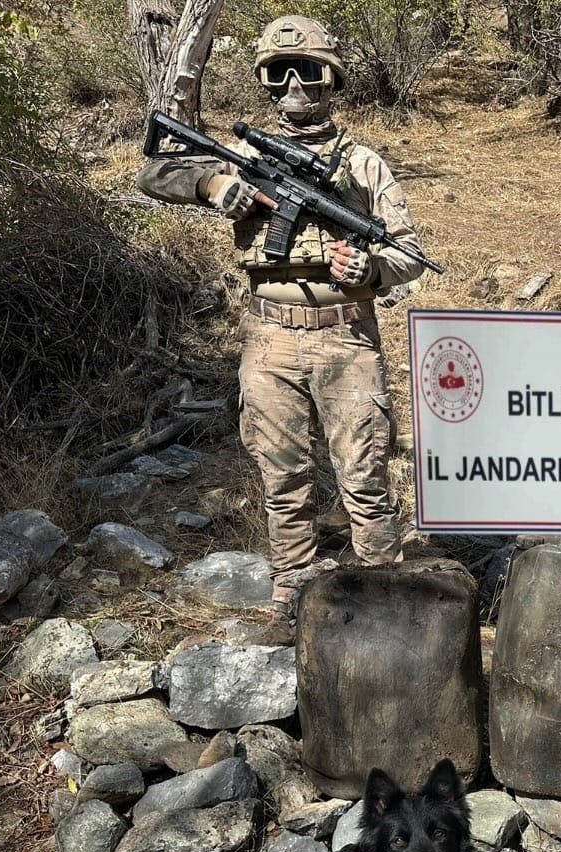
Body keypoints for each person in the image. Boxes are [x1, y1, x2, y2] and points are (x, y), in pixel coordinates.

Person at [137, 15, 427, 610]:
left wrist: (369, 271)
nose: (294, 84)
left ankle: (383, 600)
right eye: (278, 72)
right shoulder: (241, 156)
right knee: (284, 481)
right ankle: (293, 596)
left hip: (346, 337)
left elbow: (410, 252)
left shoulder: (363, 165)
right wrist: (213, 187)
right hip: (269, 338)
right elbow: (154, 169)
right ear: (265, 82)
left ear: (331, 78)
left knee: (365, 480)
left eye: (309, 70)